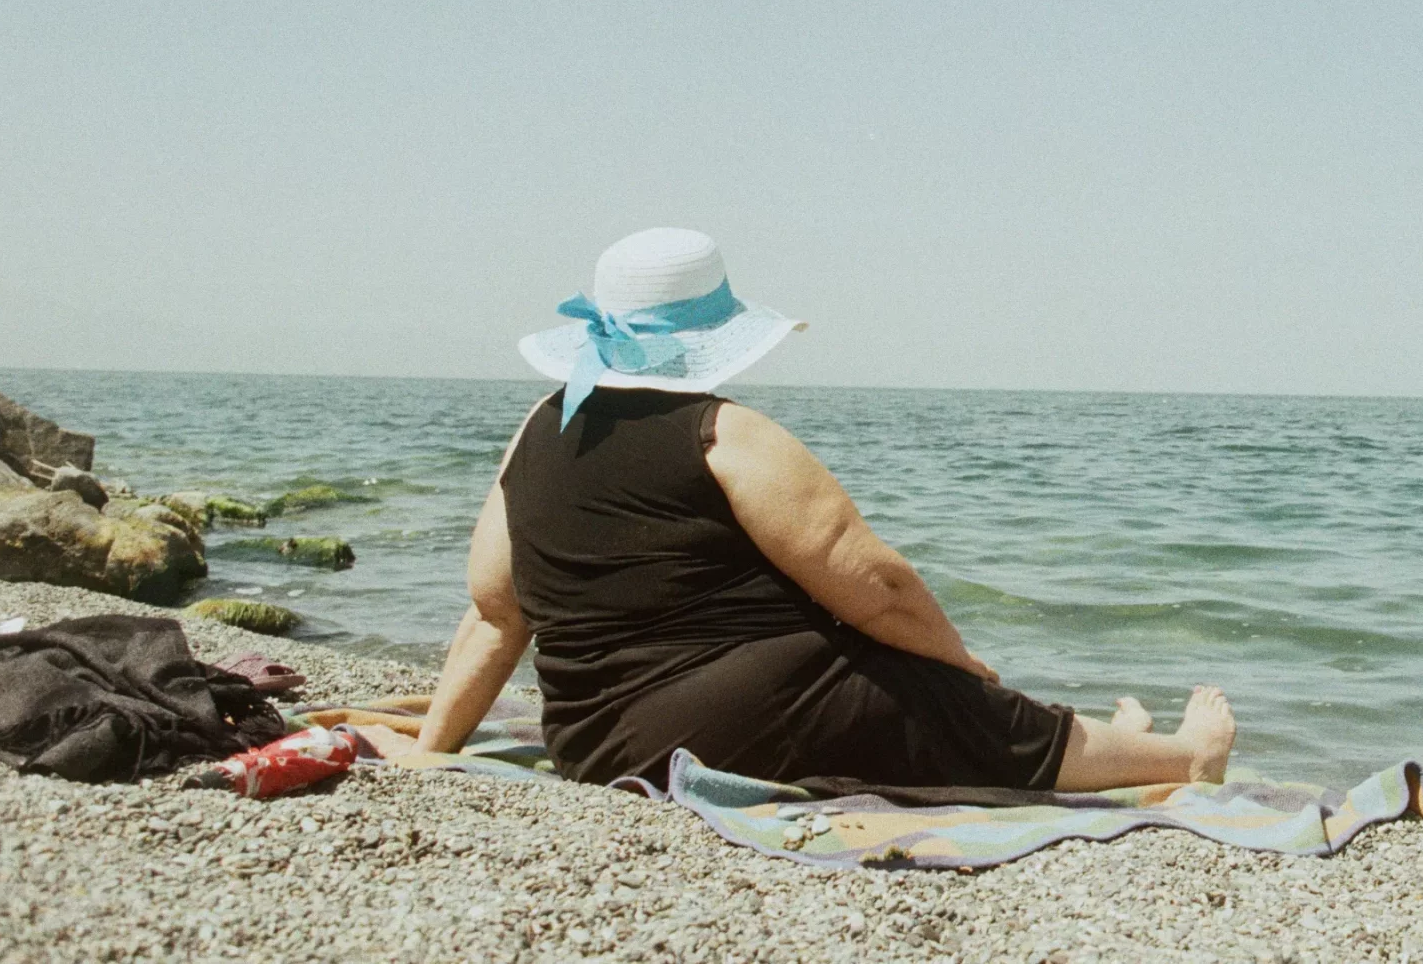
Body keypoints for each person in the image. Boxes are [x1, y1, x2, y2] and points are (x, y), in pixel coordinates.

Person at [411, 227, 1235, 793]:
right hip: (716, 733)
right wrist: (961, 665)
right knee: (941, 699)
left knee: (910, 683)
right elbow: (880, 588)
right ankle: (1184, 757)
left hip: (591, 746)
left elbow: (495, 611)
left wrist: (432, 751)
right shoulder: (724, 433)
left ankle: (1127, 739)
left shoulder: (537, 427)